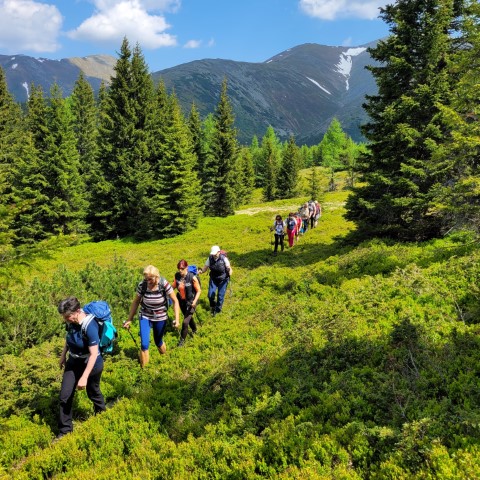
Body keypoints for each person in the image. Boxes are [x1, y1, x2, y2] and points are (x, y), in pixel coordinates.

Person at [57, 296, 106, 439]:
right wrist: (63, 356)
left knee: (93, 392)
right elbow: (69, 338)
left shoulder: (90, 326)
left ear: (77, 311)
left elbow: (93, 354)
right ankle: (65, 431)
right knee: (64, 396)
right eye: (64, 317)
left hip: (91, 363)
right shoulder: (71, 322)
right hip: (73, 361)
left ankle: (102, 416)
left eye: (68, 316)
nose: (66, 319)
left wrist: (84, 377)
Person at [123, 265, 180, 368]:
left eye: (150, 279)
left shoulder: (164, 284)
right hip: (145, 315)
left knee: (158, 341)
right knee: (144, 344)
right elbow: (136, 302)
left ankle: (165, 359)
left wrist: (177, 319)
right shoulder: (142, 285)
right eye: (146, 278)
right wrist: (129, 319)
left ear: (156, 276)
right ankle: (146, 371)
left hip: (160, 316)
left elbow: (175, 301)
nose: (148, 281)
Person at [172, 259, 201, 347]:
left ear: (186, 268)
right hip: (182, 301)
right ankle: (195, 329)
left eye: (182, 268)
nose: (180, 270)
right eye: (179, 269)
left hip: (191, 302)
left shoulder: (192, 277)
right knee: (188, 317)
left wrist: (194, 302)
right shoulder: (177, 276)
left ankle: (182, 341)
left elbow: (199, 291)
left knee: (185, 322)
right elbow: (173, 286)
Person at [198, 246, 232, 316]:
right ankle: (213, 306)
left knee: (220, 296)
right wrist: (201, 271)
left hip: (223, 280)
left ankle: (218, 310)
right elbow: (205, 268)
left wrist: (229, 272)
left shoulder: (224, 259)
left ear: (219, 252)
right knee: (210, 295)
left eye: (215, 253)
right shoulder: (210, 258)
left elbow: (229, 268)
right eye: (213, 253)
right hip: (213, 279)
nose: (214, 255)